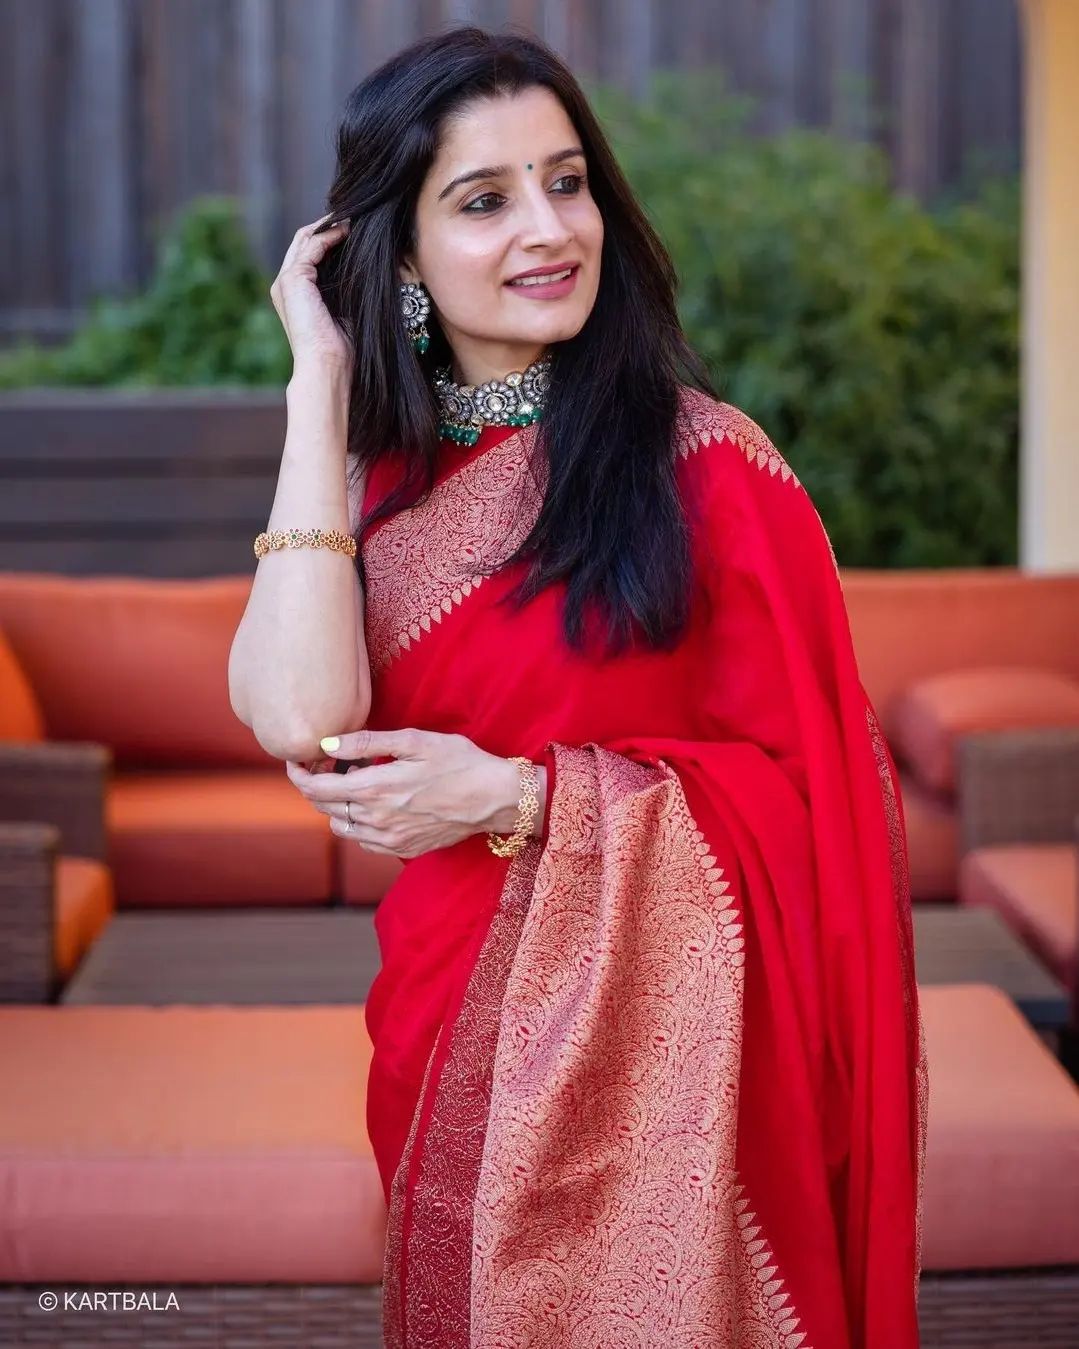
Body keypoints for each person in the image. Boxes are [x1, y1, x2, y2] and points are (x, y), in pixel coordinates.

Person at [228, 25, 928, 1349]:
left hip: (679, 1071)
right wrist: (316, 386)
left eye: (567, 181)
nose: (548, 228)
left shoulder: (707, 470)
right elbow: (297, 715)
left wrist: (521, 795)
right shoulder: (373, 484)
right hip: (450, 1030)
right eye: (483, 200)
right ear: (404, 255)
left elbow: (814, 805)